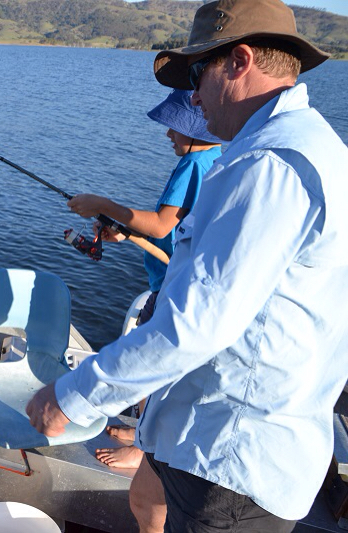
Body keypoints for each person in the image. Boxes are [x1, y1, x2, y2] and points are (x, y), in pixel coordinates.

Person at [26, 0, 348, 532]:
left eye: (198, 75)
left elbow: (197, 323)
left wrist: (73, 397)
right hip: (227, 444)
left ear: (240, 61)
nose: (193, 97)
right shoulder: (317, 147)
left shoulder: (268, 165)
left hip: (228, 463)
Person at [68, 89, 221, 475]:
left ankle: (144, 450)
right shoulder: (216, 158)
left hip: (170, 285)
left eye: (173, 127)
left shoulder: (192, 164)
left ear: (194, 130)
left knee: (151, 367)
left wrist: (102, 204)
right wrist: (125, 232)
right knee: (157, 366)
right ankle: (142, 433)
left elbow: (161, 224)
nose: (168, 134)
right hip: (181, 276)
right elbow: (176, 227)